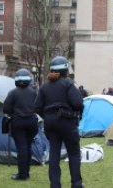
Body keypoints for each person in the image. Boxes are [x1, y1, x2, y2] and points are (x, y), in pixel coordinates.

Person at [35, 56, 84, 188]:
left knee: (54, 154)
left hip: (50, 124)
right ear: (65, 70)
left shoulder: (44, 87)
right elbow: (78, 103)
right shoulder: (68, 84)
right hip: (67, 122)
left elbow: (37, 107)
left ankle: (55, 185)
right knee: (73, 153)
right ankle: (76, 184)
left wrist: (48, 116)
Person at [3, 68, 39, 181]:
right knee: (27, 147)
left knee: (21, 148)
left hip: (18, 122)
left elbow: (6, 109)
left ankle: (22, 174)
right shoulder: (34, 92)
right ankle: (26, 172)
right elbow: (38, 106)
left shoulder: (12, 93)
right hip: (32, 121)